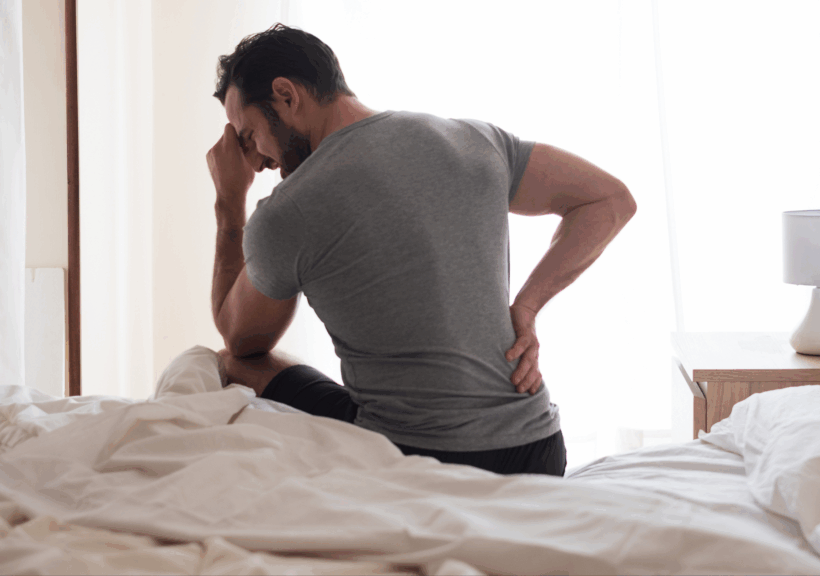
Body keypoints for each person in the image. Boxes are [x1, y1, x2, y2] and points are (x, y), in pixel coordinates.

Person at [205, 24, 636, 477]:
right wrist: (526, 307)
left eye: (248, 136)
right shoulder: (474, 140)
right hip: (539, 450)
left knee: (235, 364)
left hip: (420, 454)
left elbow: (241, 340)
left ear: (286, 95)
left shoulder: (288, 210)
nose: (256, 161)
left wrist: (229, 202)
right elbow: (609, 201)